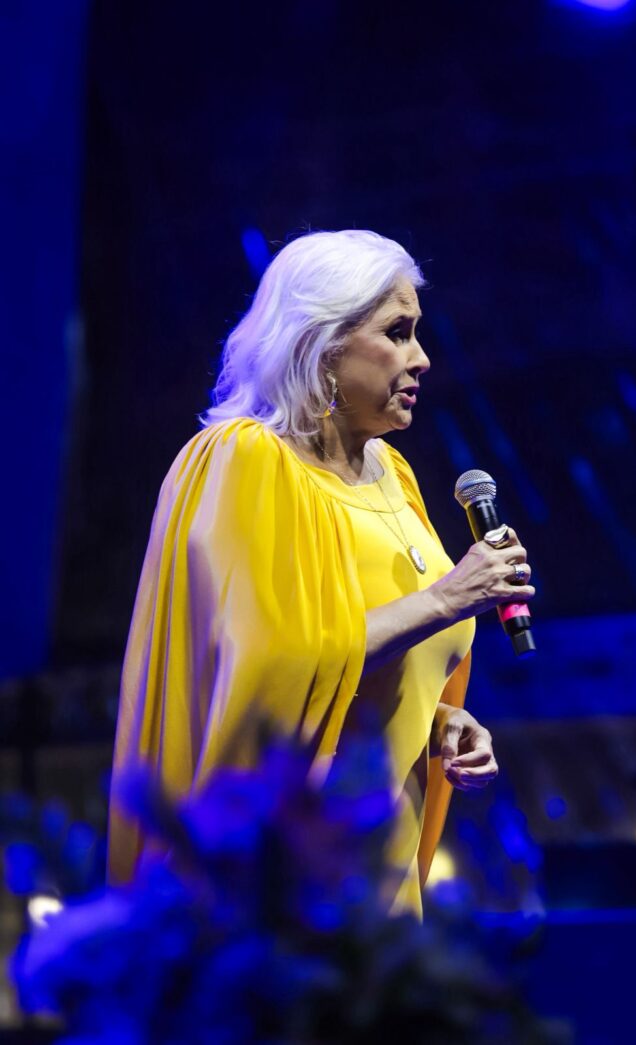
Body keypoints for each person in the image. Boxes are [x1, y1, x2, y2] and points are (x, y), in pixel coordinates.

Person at [108, 229, 534, 916]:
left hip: (384, 877)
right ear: (323, 343)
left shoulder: (392, 473)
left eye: (417, 333)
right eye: (397, 332)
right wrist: (447, 598)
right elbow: (270, 668)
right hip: (290, 881)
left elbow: (355, 673)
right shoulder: (244, 458)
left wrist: (437, 719)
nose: (422, 358)